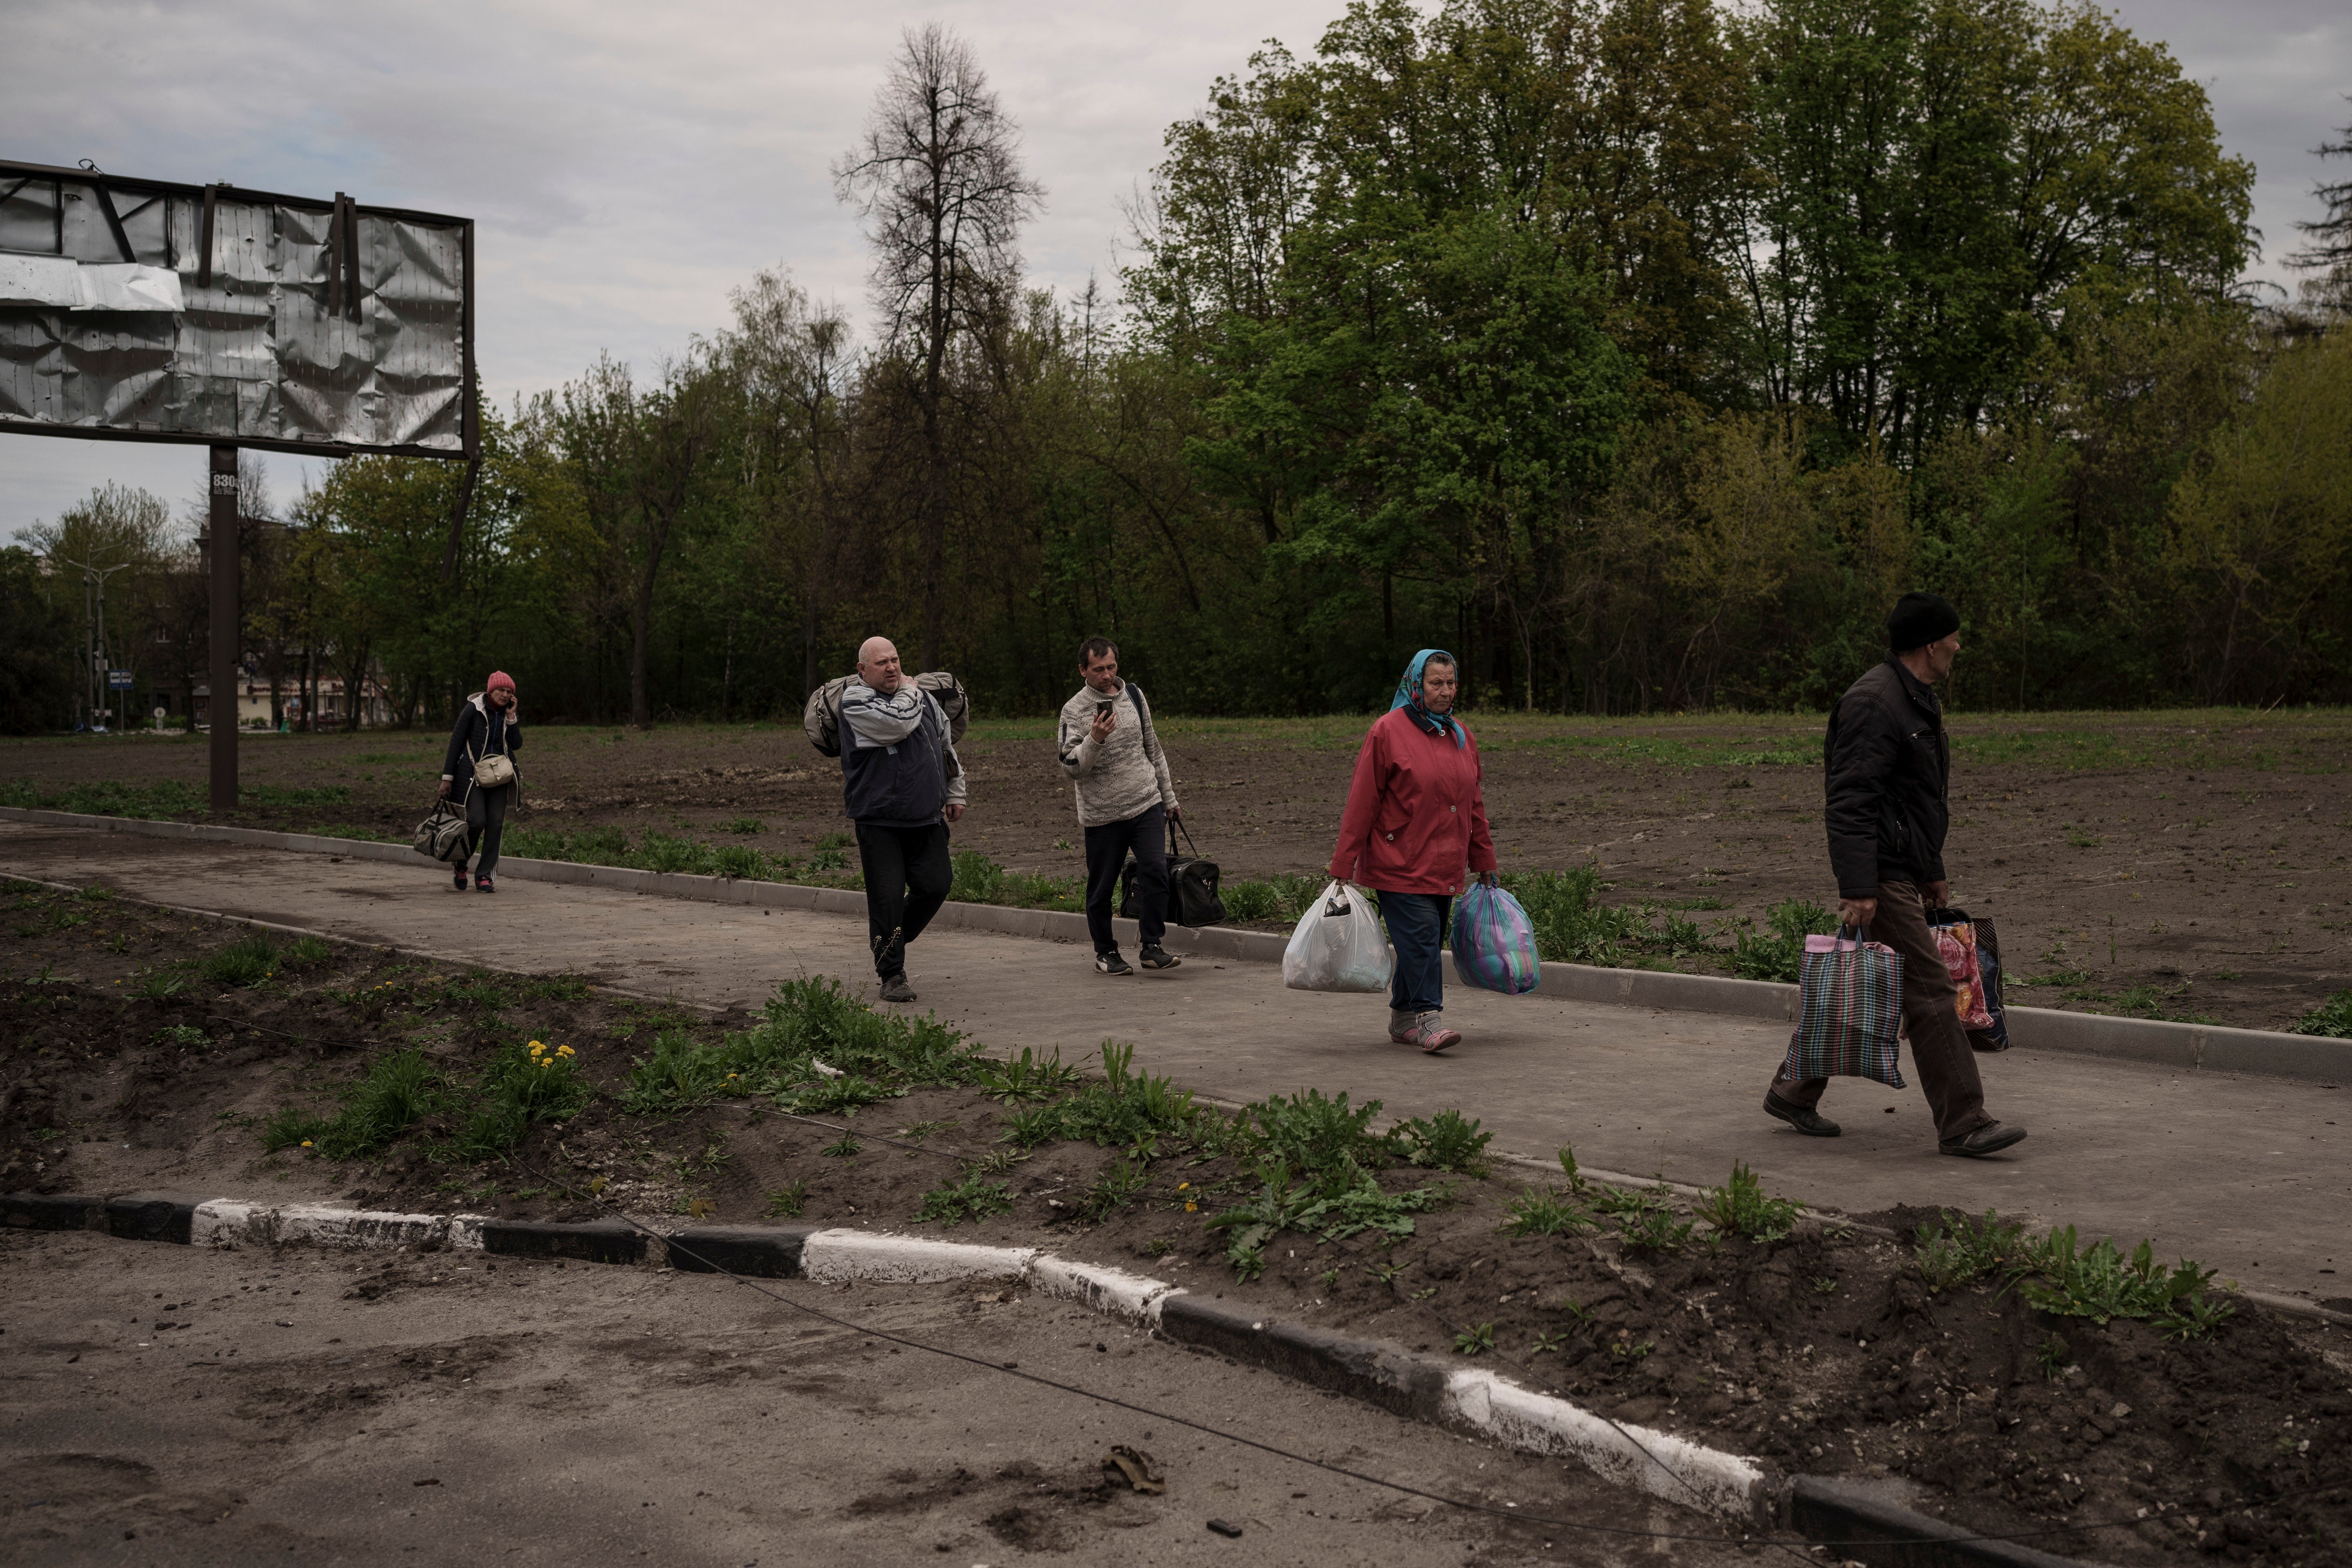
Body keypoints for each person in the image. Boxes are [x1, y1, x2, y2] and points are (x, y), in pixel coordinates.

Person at [1764, 592, 2027, 1158]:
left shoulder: (1913, 700)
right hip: (1878, 873)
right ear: (1932, 644)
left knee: (1868, 988)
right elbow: (1851, 800)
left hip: (1900, 868)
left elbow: (1914, 798)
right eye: (1954, 638)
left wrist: (1931, 871)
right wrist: (1858, 887)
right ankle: (1963, 1122)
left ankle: (1793, 1089)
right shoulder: (1874, 704)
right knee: (1930, 989)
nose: (1959, 646)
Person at [1327, 650, 1498, 1054]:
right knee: (1421, 938)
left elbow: (1474, 805)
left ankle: (1403, 1016)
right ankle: (1427, 1017)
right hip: (1397, 862)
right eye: (1435, 683)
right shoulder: (1387, 732)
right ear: (1415, 685)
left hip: (1444, 863)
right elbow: (1362, 802)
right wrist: (1342, 864)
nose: (1445, 691)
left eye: (1451, 682)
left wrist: (1484, 861)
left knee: (1423, 941)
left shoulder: (1460, 735)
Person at [839, 636, 966, 1004]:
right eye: (882, 663)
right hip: (880, 821)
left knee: (937, 884)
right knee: (887, 898)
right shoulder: (855, 701)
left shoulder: (921, 698)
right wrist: (913, 690)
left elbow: (945, 745)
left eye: (895, 659)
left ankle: (890, 937)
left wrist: (955, 792)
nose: (892, 667)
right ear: (862, 670)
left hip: (925, 817)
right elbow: (898, 723)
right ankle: (892, 973)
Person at [1056, 637, 1184, 977]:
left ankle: (1152, 946)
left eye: (1111, 667)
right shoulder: (1074, 710)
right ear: (1084, 670)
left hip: (1146, 802)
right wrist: (1094, 740)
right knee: (1102, 887)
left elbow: (1153, 749)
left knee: (1156, 871)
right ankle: (1106, 952)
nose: (1107, 675)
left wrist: (1169, 799)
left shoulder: (1134, 696)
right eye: (1098, 669)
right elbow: (1070, 766)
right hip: (1103, 816)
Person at [439, 671, 522, 893]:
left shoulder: (507, 713)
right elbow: (456, 742)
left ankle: (485, 876)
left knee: (495, 825)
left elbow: (517, 744)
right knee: (476, 821)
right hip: (473, 776)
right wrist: (447, 778)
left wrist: (512, 718)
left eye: (509, 692)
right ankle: (462, 862)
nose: (505, 695)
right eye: (501, 690)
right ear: (490, 691)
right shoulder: (473, 710)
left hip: (499, 776)